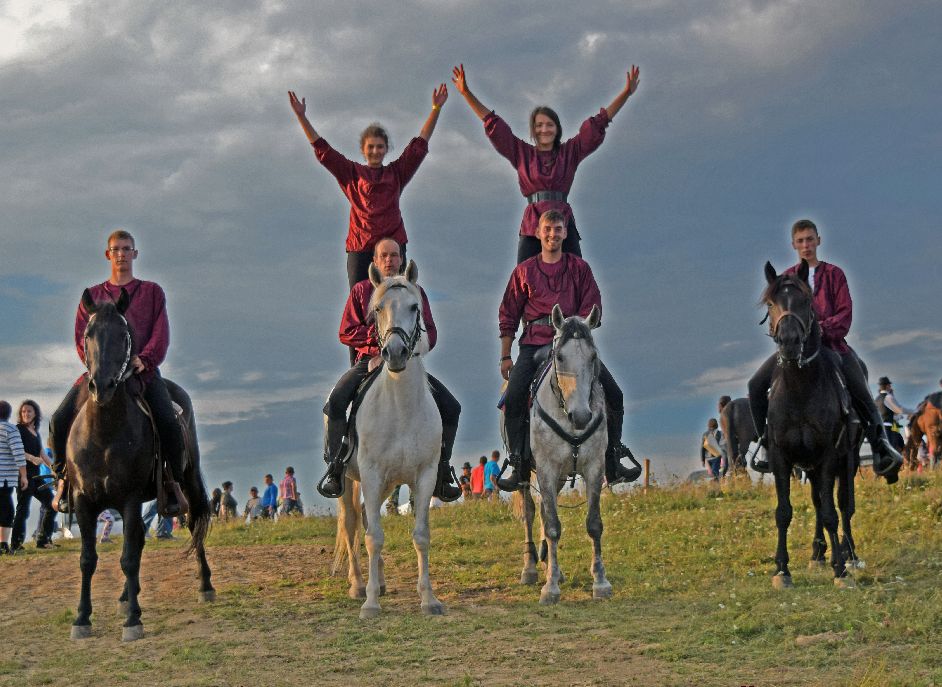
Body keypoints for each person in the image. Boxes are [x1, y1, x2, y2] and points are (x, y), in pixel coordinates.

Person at [496, 210, 642, 491]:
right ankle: (517, 461)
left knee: (615, 394)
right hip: (534, 343)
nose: (552, 234)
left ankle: (613, 457)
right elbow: (508, 314)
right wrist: (505, 355)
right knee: (514, 395)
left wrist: (578, 331)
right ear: (537, 233)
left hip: (573, 345)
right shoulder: (523, 271)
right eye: (547, 229)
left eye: (558, 228)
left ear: (566, 233)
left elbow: (592, 307)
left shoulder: (580, 269)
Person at [748, 219, 903, 482]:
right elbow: (778, 312)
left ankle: (881, 448)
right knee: (754, 385)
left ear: (818, 240)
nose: (806, 245)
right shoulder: (785, 279)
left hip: (833, 347)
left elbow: (845, 314)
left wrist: (820, 329)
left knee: (861, 388)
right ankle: (765, 442)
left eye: (810, 239)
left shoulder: (835, 275)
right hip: (794, 350)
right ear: (793, 245)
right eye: (800, 241)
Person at [49, 230, 185, 515]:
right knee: (59, 420)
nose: (121, 254)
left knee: (169, 423)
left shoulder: (151, 292)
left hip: (141, 373)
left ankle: (172, 485)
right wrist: (96, 368)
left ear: (135, 254)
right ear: (107, 254)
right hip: (100, 376)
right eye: (116, 249)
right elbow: (81, 338)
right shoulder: (92, 296)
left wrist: (144, 360)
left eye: (127, 249)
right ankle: (63, 482)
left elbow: (161, 334)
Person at [318, 238, 462, 502]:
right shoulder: (361, 291)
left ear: (402, 259)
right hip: (368, 361)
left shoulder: (415, 291)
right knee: (336, 401)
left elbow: (430, 332)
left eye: (394, 255)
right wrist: (377, 347)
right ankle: (335, 467)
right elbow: (346, 330)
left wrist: (405, 347)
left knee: (452, 407)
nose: (389, 260)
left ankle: (442, 470)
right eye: (383, 255)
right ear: (374, 261)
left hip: (407, 364)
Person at [451, 64, 640, 263]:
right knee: (523, 278)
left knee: (577, 273)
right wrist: (466, 93)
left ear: (557, 128)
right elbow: (494, 124)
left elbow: (599, 123)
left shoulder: (570, 152)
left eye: (549, 124)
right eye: (539, 125)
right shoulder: (522, 153)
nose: (544, 129)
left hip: (562, 218)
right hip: (533, 223)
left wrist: (626, 93)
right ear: (534, 130)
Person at [288, 84, 447, 292]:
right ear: (363, 150)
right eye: (370, 146)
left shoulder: (396, 173)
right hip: (360, 247)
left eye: (379, 146)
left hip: (392, 244)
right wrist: (301, 117)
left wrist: (436, 109)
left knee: (399, 298)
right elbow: (323, 151)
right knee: (359, 300)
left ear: (386, 149)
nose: (375, 150)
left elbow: (419, 147)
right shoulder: (351, 173)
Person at [11, 400, 56, 551]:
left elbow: (43, 454)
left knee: (51, 503)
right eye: (23, 411)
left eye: (29, 411)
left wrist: (54, 469)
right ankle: (16, 544)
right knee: (23, 509)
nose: (26, 414)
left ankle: (42, 540)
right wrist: (31, 458)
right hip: (23, 475)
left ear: (35, 413)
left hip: (36, 477)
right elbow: (17, 450)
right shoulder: (18, 430)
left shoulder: (35, 432)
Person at [0, 401, 29, 555]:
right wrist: (24, 475)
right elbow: (18, 454)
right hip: (3, 479)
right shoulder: (10, 429)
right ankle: (3, 545)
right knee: (7, 511)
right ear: (9, 414)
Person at [875, 377, 914, 453]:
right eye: (890, 385)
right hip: (889, 428)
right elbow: (900, 409)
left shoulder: (876, 399)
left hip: (879, 429)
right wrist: (914, 411)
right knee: (895, 448)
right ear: (887, 386)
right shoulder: (888, 397)